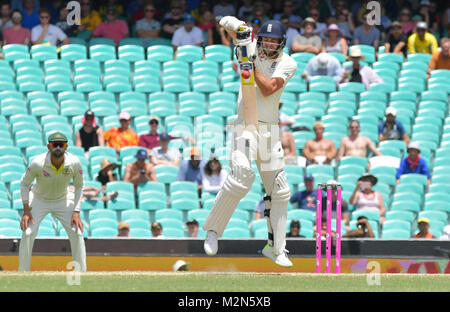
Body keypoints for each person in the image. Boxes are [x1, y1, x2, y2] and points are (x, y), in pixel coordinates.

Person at [203, 18, 297, 267]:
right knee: (242, 174)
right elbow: (231, 30)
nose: (267, 44)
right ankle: (213, 230)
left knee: (280, 190)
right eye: (264, 39)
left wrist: (249, 64)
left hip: (269, 130)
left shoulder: (287, 64)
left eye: (273, 41)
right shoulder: (251, 46)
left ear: (281, 43)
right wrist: (235, 25)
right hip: (245, 125)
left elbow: (267, 88)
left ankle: (276, 248)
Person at [18, 132, 86, 272]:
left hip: (63, 199)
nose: (58, 148)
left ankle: (81, 273)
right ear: (48, 146)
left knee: (77, 232)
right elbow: (24, 184)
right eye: (55, 144)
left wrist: (76, 211)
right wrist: (26, 210)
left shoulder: (74, 162)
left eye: (62, 145)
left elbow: (79, 186)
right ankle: (23, 272)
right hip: (38, 199)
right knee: (28, 233)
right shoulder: (38, 162)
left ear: (66, 147)